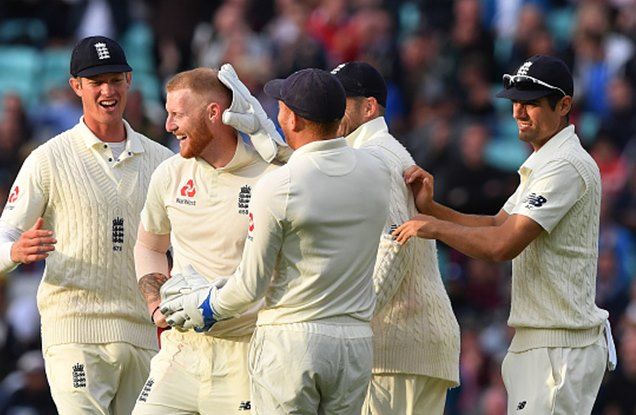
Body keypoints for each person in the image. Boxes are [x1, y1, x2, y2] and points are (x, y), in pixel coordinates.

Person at [394, 55, 616, 414]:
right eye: (515, 102)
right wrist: (431, 209)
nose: (518, 112)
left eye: (530, 103)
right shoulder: (546, 160)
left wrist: (433, 228)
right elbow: (498, 225)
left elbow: (501, 246)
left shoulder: (565, 165)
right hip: (542, 343)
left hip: (558, 348)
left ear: (563, 106)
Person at [163, 68, 391, 414]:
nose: (276, 114)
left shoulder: (277, 186)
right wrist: (274, 143)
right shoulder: (377, 171)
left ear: (294, 120)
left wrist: (205, 306)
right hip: (353, 344)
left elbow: (249, 287)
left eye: (281, 109)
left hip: (292, 343)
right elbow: (327, 165)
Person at [0, 36, 173, 414]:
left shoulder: (162, 161)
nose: (108, 91)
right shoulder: (48, 159)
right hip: (74, 330)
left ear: (130, 81)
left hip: (142, 333)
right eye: (95, 82)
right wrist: (15, 251)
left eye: (116, 80)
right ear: (76, 86)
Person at [131, 65, 284, 415]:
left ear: (213, 113)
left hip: (246, 354)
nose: (169, 125)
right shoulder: (169, 173)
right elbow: (150, 245)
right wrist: (155, 303)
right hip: (180, 352)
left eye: (177, 115)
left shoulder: (271, 175)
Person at [331, 61, 460, 415]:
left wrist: (353, 323)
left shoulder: (372, 157)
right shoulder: (381, 151)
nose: (330, 109)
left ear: (369, 107)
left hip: (395, 348)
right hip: (410, 347)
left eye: (340, 100)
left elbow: (396, 242)